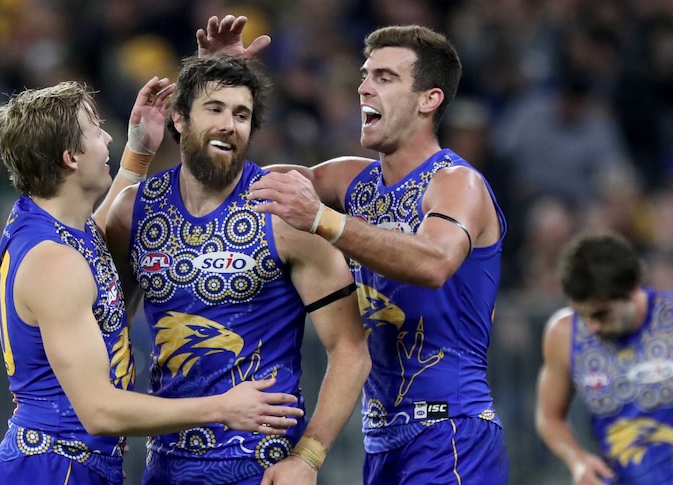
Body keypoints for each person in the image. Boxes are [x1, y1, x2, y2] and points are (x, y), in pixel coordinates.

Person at [201, 19, 509, 484]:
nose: (364, 88)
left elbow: (435, 261)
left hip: (451, 429)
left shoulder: (457, 183)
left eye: (385, 78)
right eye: (366, 76)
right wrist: (219, 85)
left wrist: (323, 220)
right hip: (382, 439)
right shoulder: (351, 179)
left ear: (430, 99)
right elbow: (235, 181)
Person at [0, 77, 307, 485]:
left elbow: (96, 250)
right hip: (55, 466)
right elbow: (100, 412)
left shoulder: (53, 226)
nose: (107, 138)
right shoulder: (55, 262)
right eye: (95, 128)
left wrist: (140, 151)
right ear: (70, 157)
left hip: (69, 461)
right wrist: (222, 407)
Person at [105, 54, 370, 485]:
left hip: (261, 469)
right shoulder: (134, 210)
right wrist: (134, 155)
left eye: (242, 114)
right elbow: (100, 313)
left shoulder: (283, 212)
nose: (230, 124)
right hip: (166, 468)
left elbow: (351, 348)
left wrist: (309, 457)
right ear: (179, 118)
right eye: (215, 109)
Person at [535, 232, 673, 485]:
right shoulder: (564, 335)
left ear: (632, 290)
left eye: (601, 314)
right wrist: (577, 461)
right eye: (582, 314)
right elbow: (549, 417)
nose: (592, 327)